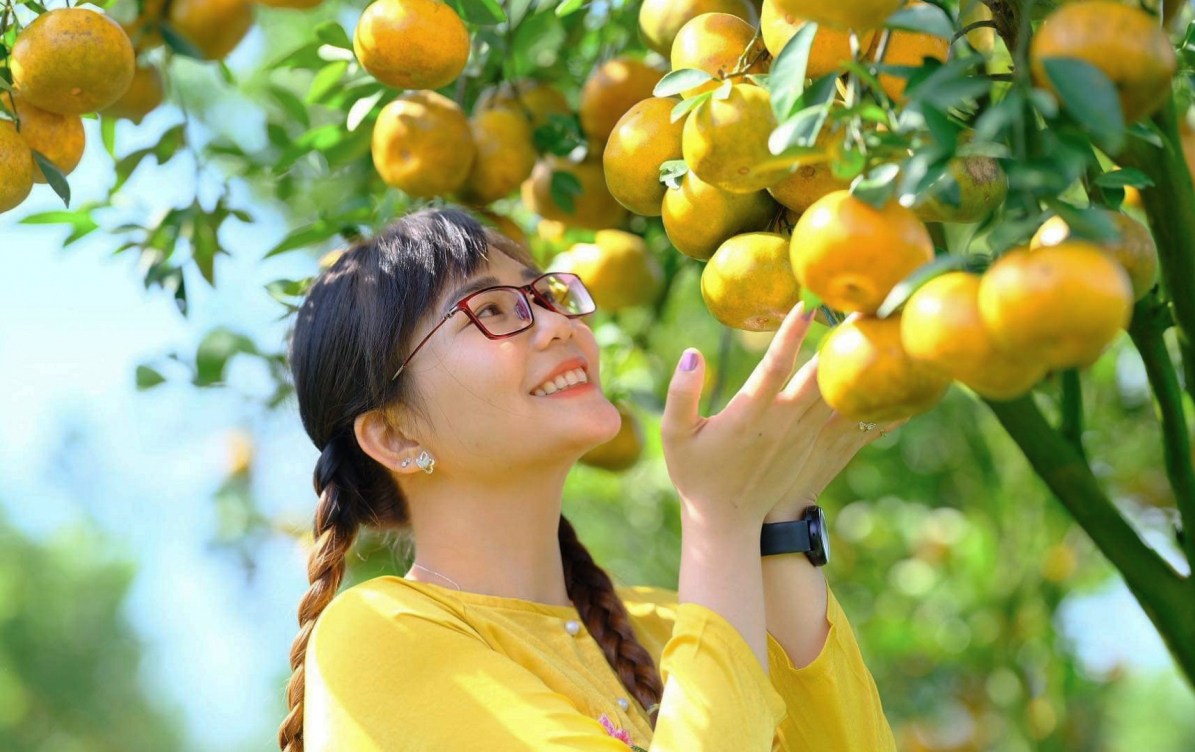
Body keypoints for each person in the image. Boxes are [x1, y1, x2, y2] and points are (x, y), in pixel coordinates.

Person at [278, 207, 898, 751]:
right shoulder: (379, 637)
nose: (557, 324)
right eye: (489, 311)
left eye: (546, 296)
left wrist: (779, 519)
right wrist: (720, 519)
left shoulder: (674, 620)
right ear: (397, 436)